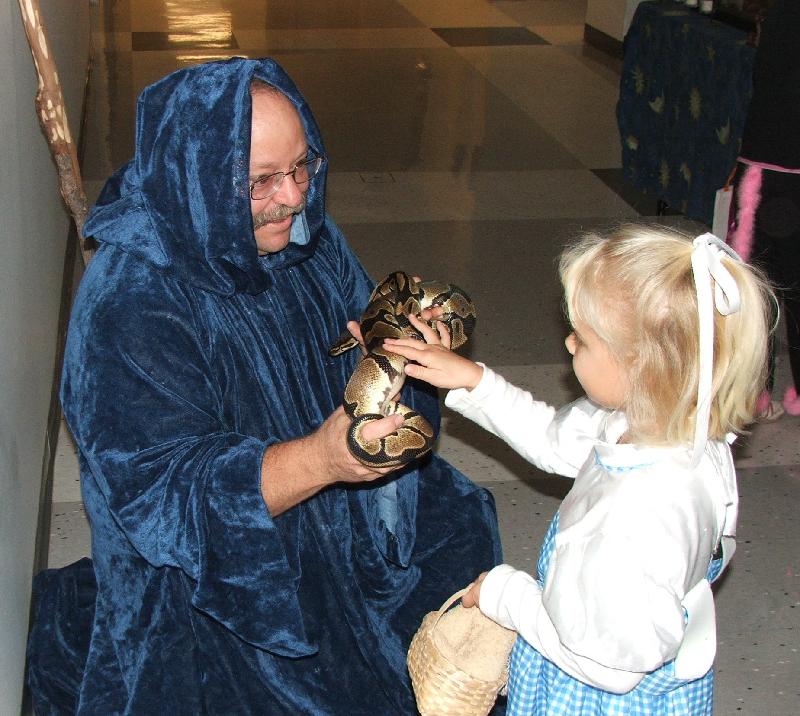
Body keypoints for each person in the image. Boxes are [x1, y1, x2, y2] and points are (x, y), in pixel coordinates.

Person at [26, 57, 502, 715]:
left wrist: (411, 355)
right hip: (224, 575)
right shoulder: (128, 306)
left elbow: (370, 334)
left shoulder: (305, 239)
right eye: (263, 181)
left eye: (302, 166)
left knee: (459, 523)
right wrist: (322, 460)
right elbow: (170, 500)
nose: (296, 196)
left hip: (344, 506)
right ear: (199, 183)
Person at [384, 226, 773, 714]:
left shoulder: (625, 523)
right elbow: (554, 440)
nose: (568, 344)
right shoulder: (672, 425)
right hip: (635, 638)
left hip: (592, 691)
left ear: (642, 368)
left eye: (583, 340)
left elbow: (607, 668)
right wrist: (475, 382)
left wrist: (506, 595)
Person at [727, 0, 800, 419]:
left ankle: (756, 389)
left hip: (766, 168)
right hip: (775, 169)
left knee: (760, 289)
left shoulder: (779, 16)